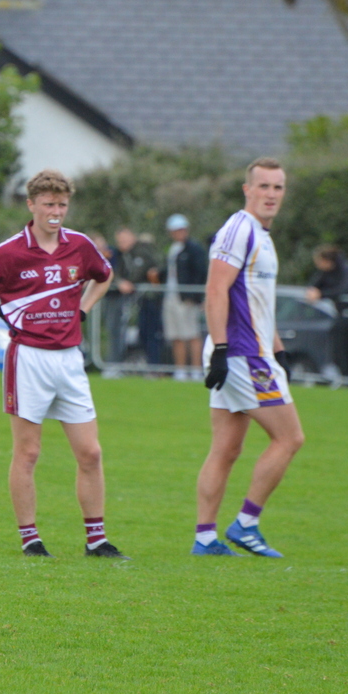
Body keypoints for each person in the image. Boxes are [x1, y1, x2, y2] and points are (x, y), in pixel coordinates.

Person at [0, 169, 129, 561]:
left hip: (70, 361)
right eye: (48, 204)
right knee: (28, 453)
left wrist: (84, 307)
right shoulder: (11, 251)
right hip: (28, 358)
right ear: (31, 205)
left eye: (62, 204)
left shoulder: (79, 246)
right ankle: (31, 539)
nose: (56, 211)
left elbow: (105, 276)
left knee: (91, 453)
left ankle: (96, 540)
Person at [195, 157, 305, 558]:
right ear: (247, 189)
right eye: (264, 186)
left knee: (226, 449)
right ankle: (246, 523)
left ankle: (205, 538)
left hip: (252, 350)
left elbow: (257, 302)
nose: (271, 194)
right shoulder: (239, 229)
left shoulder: (261, 233)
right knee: (290, 438)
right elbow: (215, 289)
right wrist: (222, 349)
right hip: (242, 354)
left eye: (278, 187)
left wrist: (278, 347)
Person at [305, 244, 348, 379]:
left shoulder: (347, 270)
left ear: (326, 261)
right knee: (337, 338)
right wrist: (312, 291)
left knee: (343, 339)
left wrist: (321, 294)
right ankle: (343, 373)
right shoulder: (326, 272)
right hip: (340, 311)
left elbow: (344, 290)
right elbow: (315, 284)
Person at [161, 214, 208, 381]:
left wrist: (195, 296)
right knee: (176, 336)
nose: (178, 233)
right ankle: (180, 371)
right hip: (171, 297)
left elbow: (201, 273)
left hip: (187, 298)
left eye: (181, 229)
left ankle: (196, 370)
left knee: (192, 335)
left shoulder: (195, 249)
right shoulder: (173, 248)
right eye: (175, 230)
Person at [108, 226, 162, 371]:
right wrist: (119, 281)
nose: (121, 244)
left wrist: (127, 282)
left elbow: (139, 272)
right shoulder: (122, 255)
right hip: (136, 301)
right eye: (119, 241)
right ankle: (134, 366)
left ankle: (154, 368)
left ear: (132, 237)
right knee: (139, 334)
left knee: (150, 334)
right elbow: (115, 273)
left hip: (149, 299)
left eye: (124, 240)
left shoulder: (142, 252)